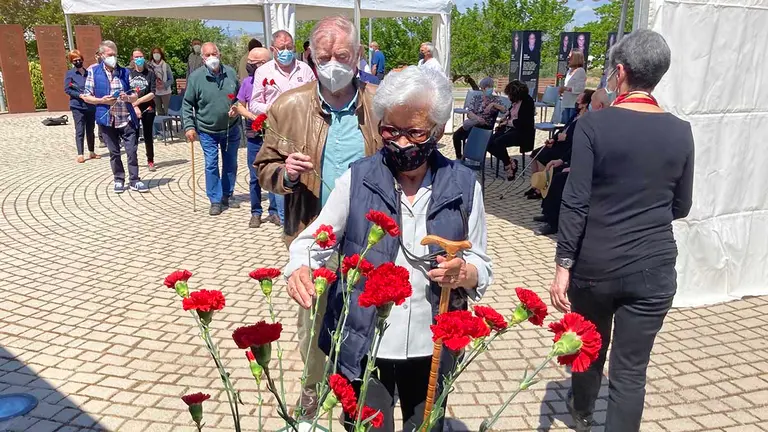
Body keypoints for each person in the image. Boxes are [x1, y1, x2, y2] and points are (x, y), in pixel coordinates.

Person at [285, 66, 492, 432]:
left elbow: (479, 261)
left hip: (432, 345)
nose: (401, 143)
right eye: (390, 130)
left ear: (438, 131)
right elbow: (313, 241)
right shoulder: (358, 177)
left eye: (415, 132)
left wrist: (466, 272)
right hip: (365, 344)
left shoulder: (463, 184)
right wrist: (300, 266)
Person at [549, 30, 695, 432]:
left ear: (619, 72)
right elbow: (681, 206)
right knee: (631, 373)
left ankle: (580, 414)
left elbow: (575, 201)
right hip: (654, 269)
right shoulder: (681, 131)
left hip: (595, 265)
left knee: (589, 347)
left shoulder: (594, 125)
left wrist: (563, 265)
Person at [253, 15, 382, 419]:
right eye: (324, 56)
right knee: (313, 326)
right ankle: (311, 394)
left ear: (358, 55)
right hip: (314, 236)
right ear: (310, 55)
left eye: (342, 55)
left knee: (371, 321)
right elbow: (262, 169)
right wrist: (285, 172)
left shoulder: (380, 103)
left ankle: (364, 395)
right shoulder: (289, 105)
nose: (333, 63)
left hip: (371, 237)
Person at [182, 42, 241, 216]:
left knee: (231, 163)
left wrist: (237, 108)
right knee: (211, 164)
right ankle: (215, 200)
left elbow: (240, 97)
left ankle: (227, 195)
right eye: (207, 55)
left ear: (220, 54)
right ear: (202, 58)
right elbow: (187, 104)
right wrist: (189, 126)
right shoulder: (196, 78)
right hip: (207, 130)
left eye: (214, 53)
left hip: (231, 128)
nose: (211, 57)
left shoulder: (230, 73)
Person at [81, 40, 147, 194]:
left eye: (115, 55)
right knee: (114, 152)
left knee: (132, 151)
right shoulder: (93, 72)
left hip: (126, 118)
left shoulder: (124, 72)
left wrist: (128, 97)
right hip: (107, 119)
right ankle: (119, 179)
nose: (113, 58)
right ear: (102, 55)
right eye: (110, 55)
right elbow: (86, 96)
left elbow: (134, 94)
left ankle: (135, 180)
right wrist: (101, 100)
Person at [533, 90, 596, 235]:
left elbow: (580, 145)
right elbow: (572, 141)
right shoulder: (576, 116)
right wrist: (561, 160)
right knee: (554, 170)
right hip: (570, 156)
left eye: (580, 98)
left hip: (583, 165)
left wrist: (572, 166)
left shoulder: (590, 122)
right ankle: (547, 213)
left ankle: (553, 223)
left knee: (558, 179)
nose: (577, 100)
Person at [235, 47, 285, 228]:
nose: (248, 65)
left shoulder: (274, 81)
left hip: (273, 135)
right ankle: (256, 212)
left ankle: (274, 211)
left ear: (263, 63)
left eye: (252, 63)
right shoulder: (248, 82)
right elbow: (239, 105)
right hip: (254, 135)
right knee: (255, 175)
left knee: (273, 172)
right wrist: (254, 117)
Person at [486, 80, 535, 180]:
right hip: (510, 129)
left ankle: (508, 166)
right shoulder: (515, 101)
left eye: (509, 94)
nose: (508, 97)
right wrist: (505, 117)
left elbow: (523, 122)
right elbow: (510, 112)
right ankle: (510, 162)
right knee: (488, 143)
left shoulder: (528, 102)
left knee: (499, 142)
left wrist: (508, 122)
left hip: (522, 132)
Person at [452, 76, 502, 160]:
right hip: (474, 123)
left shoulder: (496, 99)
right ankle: (459, 157)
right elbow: (469, 112)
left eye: (490, 87)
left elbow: (504, 110)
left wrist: (493, 105)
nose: (489, 89)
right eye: (487, 87)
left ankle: (471, 157)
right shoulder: (476, 98)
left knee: (471, 135)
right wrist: (477, 118)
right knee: (456, 135)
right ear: (482, 88)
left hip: (486, 126)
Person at [64, 49, 99, 163]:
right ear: (71, 62)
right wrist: (79, 95)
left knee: (91, 130)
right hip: (77, 106)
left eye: (79, 59)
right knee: (80, 130)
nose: (78, 61)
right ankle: (80, 154)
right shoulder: (70, 74)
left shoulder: (89, 73)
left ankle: (92, 151)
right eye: (75, 60)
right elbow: (67, 89)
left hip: (90, 106)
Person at [129, 49, 158, 172]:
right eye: (136, 57)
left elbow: (152, 93)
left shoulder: (150, 74)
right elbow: (127, 91)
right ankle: (133, 161)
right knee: (133, 136)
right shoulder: (129, 73)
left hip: (148, 107)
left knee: (147, 135)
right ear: (132, 59)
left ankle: (150, 160)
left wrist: (138, 102)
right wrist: (134, 106)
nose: (139, 59)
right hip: (132, 107)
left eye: (140, 56)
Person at [560, 50, 587, 124]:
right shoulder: (569, 71)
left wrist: (566, 89)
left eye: (570, 57)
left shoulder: (580, 71)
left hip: (574, 103)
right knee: (565, 124)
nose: (568, 58)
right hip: (566, 102)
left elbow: (580, 88)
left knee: (571, 124)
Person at [149, 47, 173, 115]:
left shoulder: (166, 65)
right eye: (154, 53)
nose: (156, 54)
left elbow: (171, 79)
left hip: (166, 92)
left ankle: (169, 126)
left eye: (158, 52)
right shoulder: (149, 66)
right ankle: (161, 126)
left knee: (168, 112)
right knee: (159, 112)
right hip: (155, 93)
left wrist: (164, 85)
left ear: (161, 54)